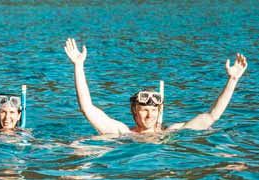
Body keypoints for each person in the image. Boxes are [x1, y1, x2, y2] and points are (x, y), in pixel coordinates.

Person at [63, 38, 247, 137]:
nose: (150, 115)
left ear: (160, 111)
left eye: (153, 110)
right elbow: (87, 108)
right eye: (144, 110)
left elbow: (211, 116)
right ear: (134, 111)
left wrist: (233, 80)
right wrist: (78, 66)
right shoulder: (121, 132)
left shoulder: (171, 132)